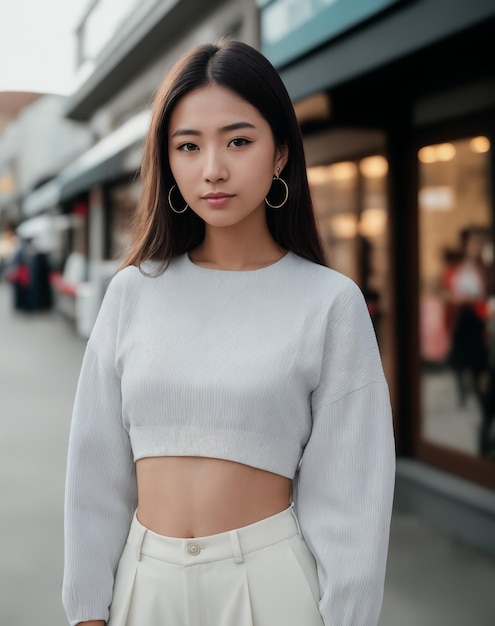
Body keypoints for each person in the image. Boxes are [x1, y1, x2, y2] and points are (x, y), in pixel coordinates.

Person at [62, 39, 396, 626]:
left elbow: (353, 498)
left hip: (272, 590)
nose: (213, 168)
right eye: (188, 146)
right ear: (168, 161)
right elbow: (95, 471)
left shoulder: (327, 303)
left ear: (280, 155)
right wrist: (87, 609)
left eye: (238, 141)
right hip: (145, 585)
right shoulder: (132, 293)